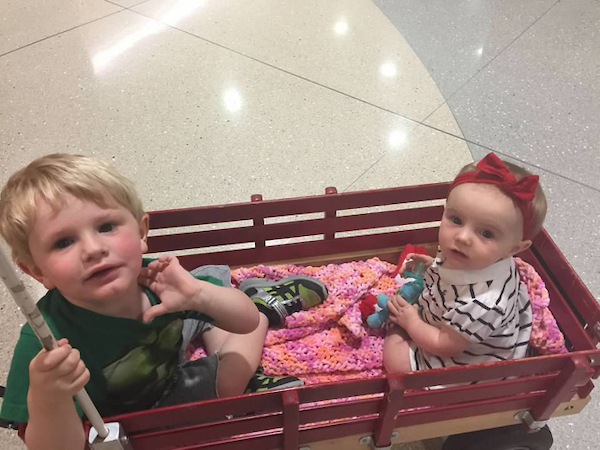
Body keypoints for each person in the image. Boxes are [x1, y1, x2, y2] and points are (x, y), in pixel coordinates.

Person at [0, 154, 328, 450]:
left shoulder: (159, 279)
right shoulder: (46, 344)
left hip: (171, 334)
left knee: (221, 303)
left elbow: (244, 322)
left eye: (106, 226)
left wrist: (198, 295)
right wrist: (49, 398)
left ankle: (256, 303)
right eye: (63, 242)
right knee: (230, 381)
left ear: (142, 232)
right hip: (147, 412)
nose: (93, 249)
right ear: (36, 271)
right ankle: (259, 308)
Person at [383, 153, 546, 375]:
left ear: (513, 249)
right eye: (456, 220)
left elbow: (446, 345)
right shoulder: (468, 255)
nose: (463, 237)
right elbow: (451, 275)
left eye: (486, 233)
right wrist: (432, 265)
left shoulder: (482, 302)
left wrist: (411, 322)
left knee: (395, 359)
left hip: (465, 358)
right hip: (449, 321)